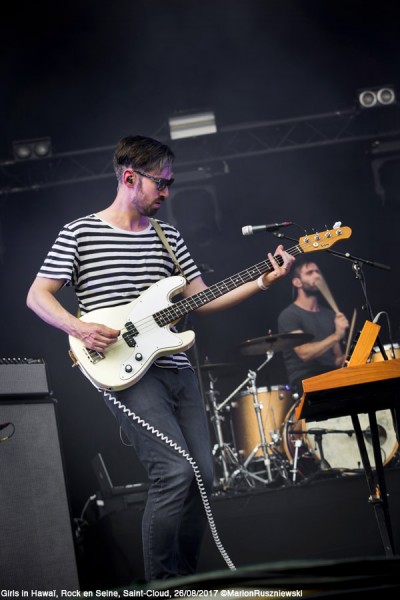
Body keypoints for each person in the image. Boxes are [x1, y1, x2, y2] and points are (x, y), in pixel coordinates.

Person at [26, 134, 294, 582]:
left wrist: (263, 281)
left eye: (170, 183)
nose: (167, 193)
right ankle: (161, 587)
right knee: (173, 473)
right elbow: (38, 295)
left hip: (175, 367)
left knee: (203, 480)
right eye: (161, 184)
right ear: (130, 177)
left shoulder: (168, 237)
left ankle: (186, 583)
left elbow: (200, 299)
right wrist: (78, 326)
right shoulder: (80, 232)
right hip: (125, 373)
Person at [277, 259, 349, 396]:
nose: (317, 276)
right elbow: (304, 354)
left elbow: (337, 360)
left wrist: (351, 358)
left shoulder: (330, 315)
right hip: (306, 379)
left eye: (318, 272)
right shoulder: (289, 315)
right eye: (310, 273)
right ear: (297, 282)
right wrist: (336, 336)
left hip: (331, 375)